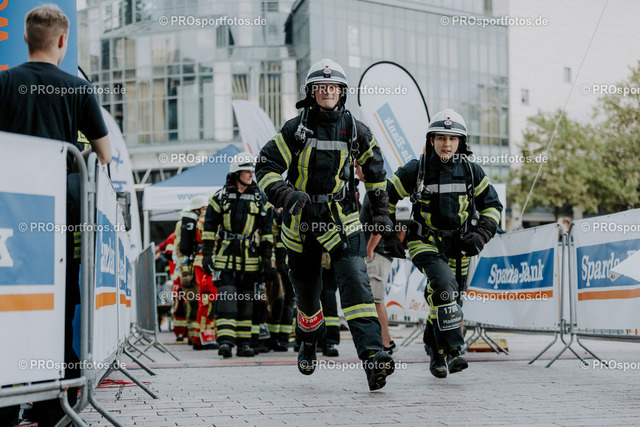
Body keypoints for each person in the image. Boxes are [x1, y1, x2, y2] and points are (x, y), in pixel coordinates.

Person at [0, 5, 111, 425]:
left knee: (9, 306)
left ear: (25, 38)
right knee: (58, 307)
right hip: (57, 220)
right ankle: (52, 405)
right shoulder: (77, 89)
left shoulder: (4, 82)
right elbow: (104, 154)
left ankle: (6, 403)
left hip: (8, 218)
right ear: (63, 41)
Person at [256, 58, 395, 390]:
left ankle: (373, 356)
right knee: (307, 297)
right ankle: (307, 341)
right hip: (300, 221)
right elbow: (265, 166)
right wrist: (285, 194)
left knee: (357, 284)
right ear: (311, 92)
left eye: (333, 87)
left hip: (341, 218)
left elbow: (377, 174)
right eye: (321, 87)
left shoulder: (357, 130)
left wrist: (380, 213)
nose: (327, 91)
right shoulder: (295, 130)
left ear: (342, 92)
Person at [386, 108, 502, 378]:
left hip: (459, 245)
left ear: (461, 142)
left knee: (449, 299)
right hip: (424, 241)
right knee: (444, 284)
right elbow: (384, 197)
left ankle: (434, 349)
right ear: (431, 140)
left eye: (452, 138)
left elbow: (493, 206)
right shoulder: (417, 169)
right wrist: (389, 233)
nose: (446, 144)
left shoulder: (472, 171)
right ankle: (453, 350)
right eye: (440, 138)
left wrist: (481, 235)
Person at [201, 152, 274, 358]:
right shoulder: (219, 197)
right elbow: (209, 228)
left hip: (250, 259)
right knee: (227, 298)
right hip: (225, 257)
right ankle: (225, 342)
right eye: (247, 171)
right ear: (236, 173)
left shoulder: (261, 198)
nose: (251, 174)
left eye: (252, 171)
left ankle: (244, 345)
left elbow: (267, 231)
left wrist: (267, 258)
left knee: (246, 303)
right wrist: (206, 254)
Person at [356, 163, 395, 354]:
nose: (355, 171)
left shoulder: (376, 191)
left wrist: (370, 248)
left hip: (377, 253)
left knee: (376, 300)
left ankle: (385, 343)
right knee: (375, 299)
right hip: (376, 252)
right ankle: (384, 342)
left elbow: (381, 223)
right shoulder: (370, 191)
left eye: (357, 167)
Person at [265, 208, 295, 352]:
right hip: (281, 268)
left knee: (286, 303)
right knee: (279, 303)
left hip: (287, 268)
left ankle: (281, 338)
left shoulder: (281, 219)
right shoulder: (275, 219)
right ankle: (275, 338)